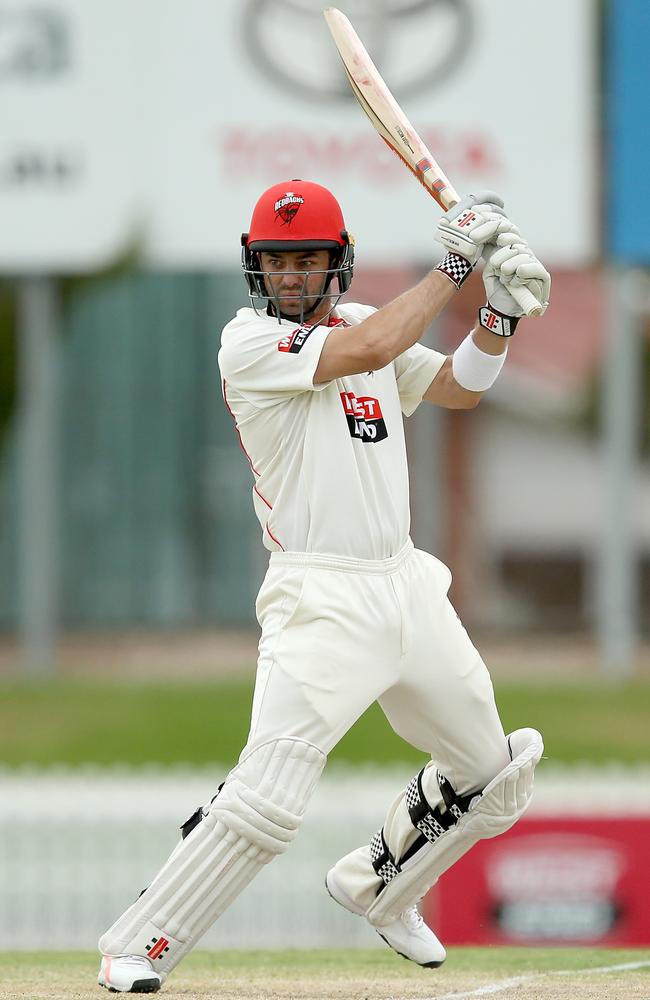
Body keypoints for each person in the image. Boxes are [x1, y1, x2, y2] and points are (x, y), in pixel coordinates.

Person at [97, 179, 549, 993]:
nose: (293, 277)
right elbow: (371, 351)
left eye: (308, 260)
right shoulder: (247, 344)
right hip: (319, 597)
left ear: (336, 264)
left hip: (406, 584)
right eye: (277, 262)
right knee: (270, 799)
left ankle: (379, 885)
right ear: (255, 269)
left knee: (495, 777)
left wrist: (498, 317)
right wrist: (454, 265)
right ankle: (138, 943)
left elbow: (460, 386)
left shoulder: (358, 323)